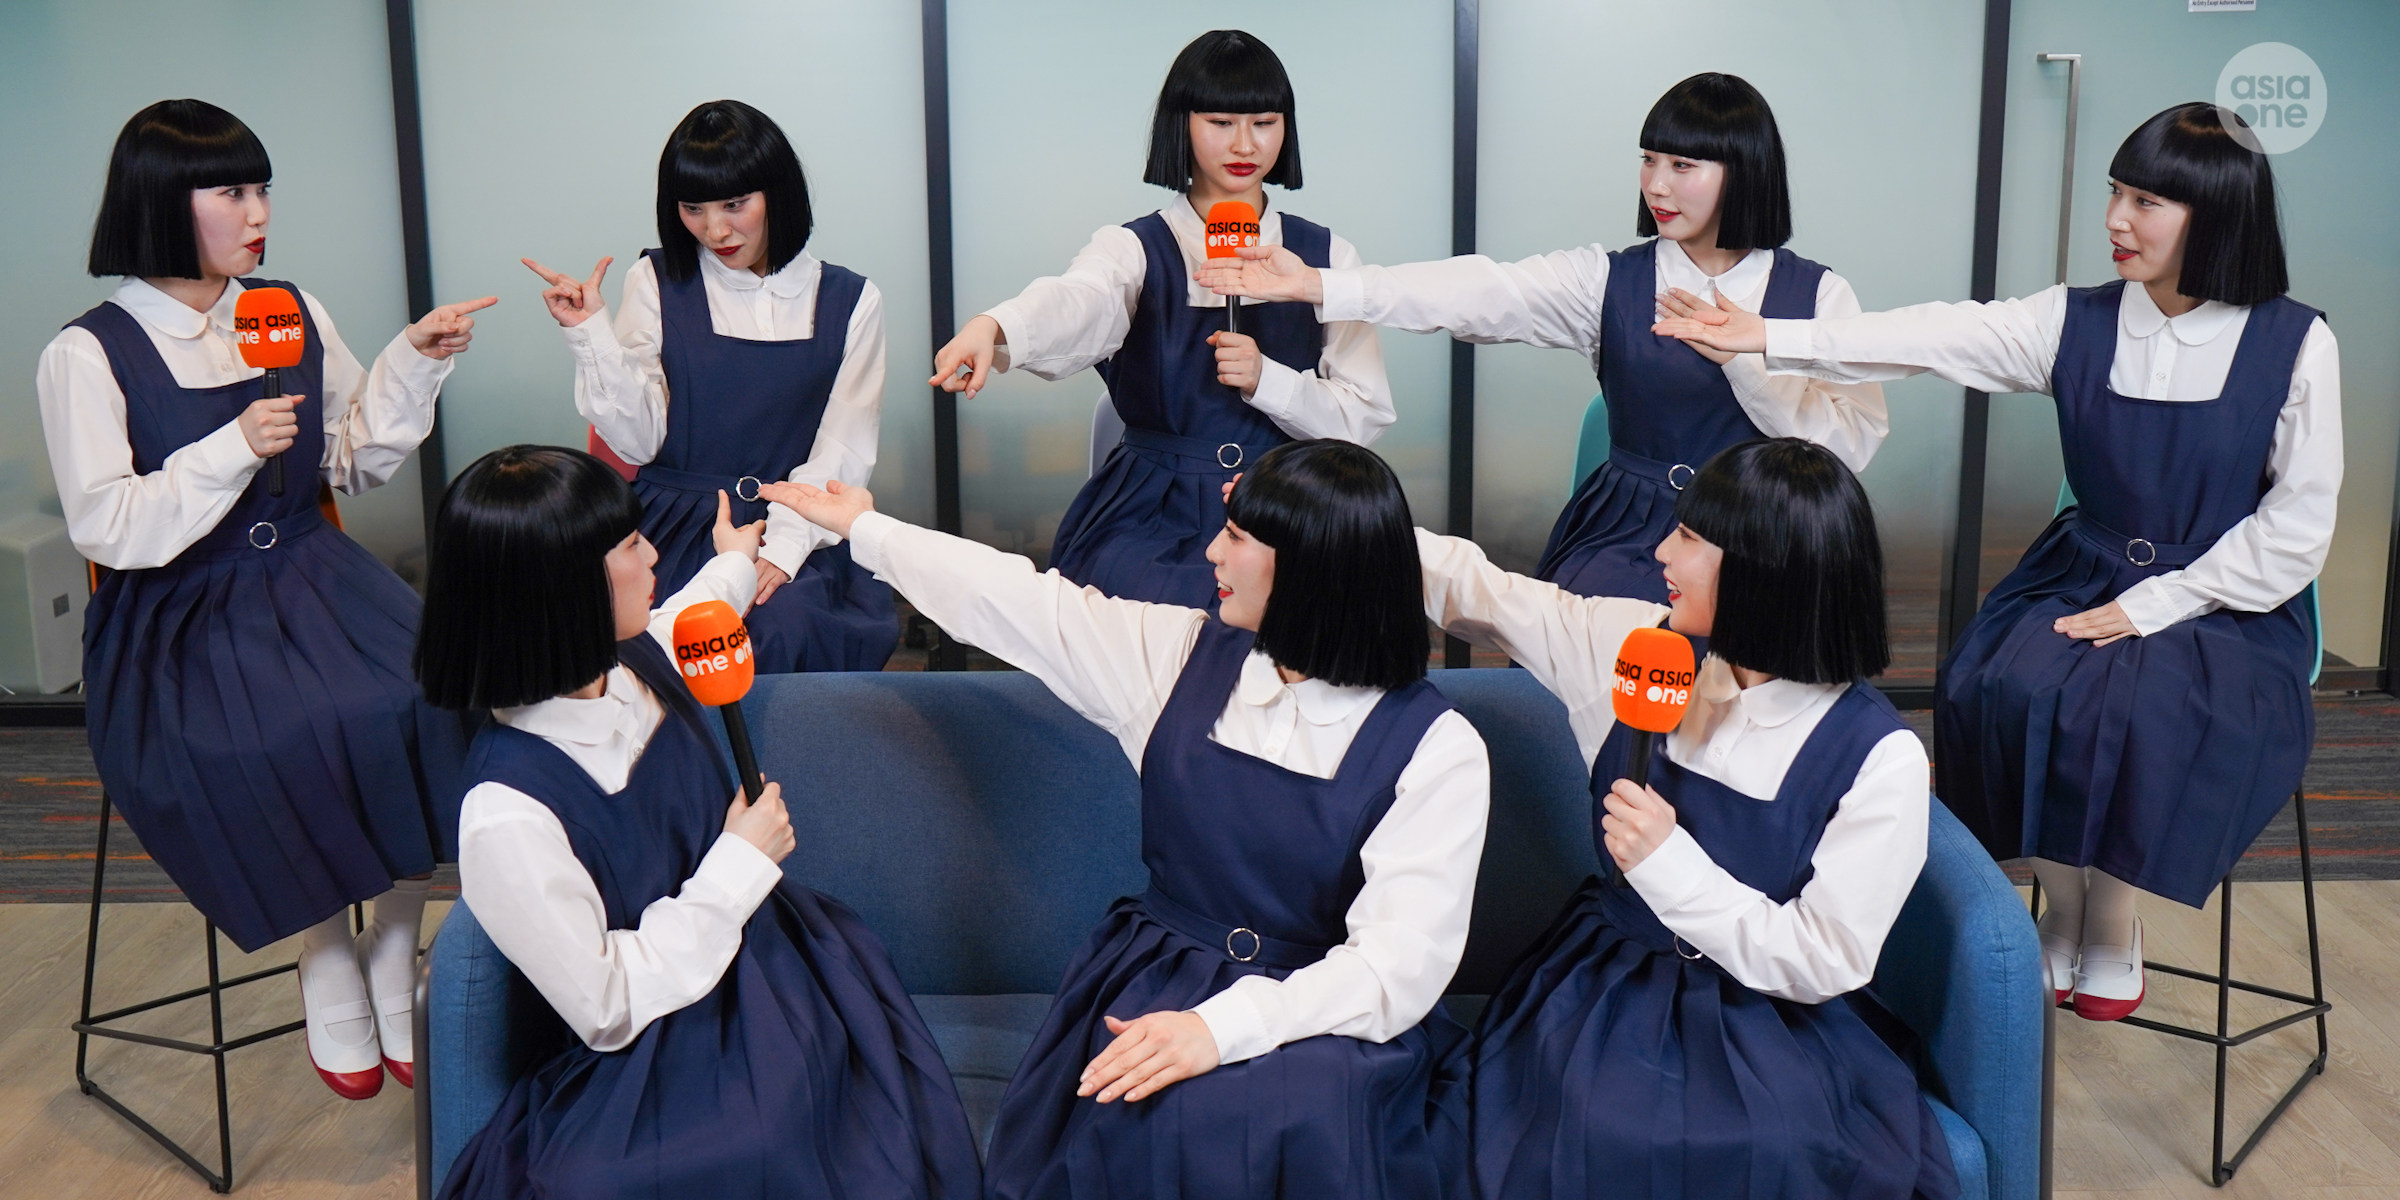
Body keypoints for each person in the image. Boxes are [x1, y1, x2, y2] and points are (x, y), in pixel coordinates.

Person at [1654, 102, 2340, 1020]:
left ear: (2215, 214)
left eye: (2145, 202)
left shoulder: (2297, 342)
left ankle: (2113, 923)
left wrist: (2158, 605)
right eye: (2115, 193)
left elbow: (2297, 527)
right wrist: (1771, 336)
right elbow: (1933, 336)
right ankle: (2063, 906)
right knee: (2003, 684)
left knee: (2141, 705)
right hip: (2084, 566)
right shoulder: (2076, 320)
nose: (2115, 220)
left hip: (2222, 595)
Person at [762, 440, 1487, 1200]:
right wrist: (866, 528)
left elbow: (1397, 966)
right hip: (1158, 974)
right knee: (1153, 1119)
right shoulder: (1176, 655)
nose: (1210, 552)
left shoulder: (1439, 748)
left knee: (1291, 1125)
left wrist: (1220, 1027)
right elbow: (1021, 603)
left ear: (1311, 569)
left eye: (1237, 537)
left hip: (1326, 1004)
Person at [421, 447, 985, 1200]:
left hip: (780, 970)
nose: (655, 554)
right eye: (629, 545)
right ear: (561, 588)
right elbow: (604, 1006)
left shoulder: (640, 656)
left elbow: (703, 599)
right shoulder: (505, 813)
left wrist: (737, 558)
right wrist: (740, 862)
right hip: (655, 1045)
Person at [37, 99, 495, 1098]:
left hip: (311, 569)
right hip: (177, 611)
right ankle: (324, 949)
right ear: (163, 203)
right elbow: (106, 526)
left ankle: (394, 938)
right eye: (233, 193)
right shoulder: (88, 353)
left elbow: (350, 459)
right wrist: (230, 449)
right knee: (283, 734)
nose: (260, 214)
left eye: (262, 190)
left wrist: (415, 361)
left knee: (446, 693)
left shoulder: (289, 308)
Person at [1418, 437, 1955, 1200]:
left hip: (1770, 1017)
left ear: (1766, 569)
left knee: (1760, 1152)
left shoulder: (1879, 756)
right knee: (1570, 1128)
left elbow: (1829, 957)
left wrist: (1668, 863)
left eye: (1692, 538)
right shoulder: (1639, 647)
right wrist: (1327, 518)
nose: (1660, 552)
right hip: (1600, 986)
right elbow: (1485, 592)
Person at [1199, 72, 1883, 608]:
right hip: (1630, 533)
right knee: (1588, 651)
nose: (1655, 185)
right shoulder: (1607, 280)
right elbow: (1478, 290)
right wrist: (1318, 284)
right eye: (1649, 160)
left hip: (1769, 538)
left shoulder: (1820, 296)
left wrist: (1747, 365)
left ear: (1744, 171)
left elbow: (1851, 447)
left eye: (1683, 166)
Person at [927, 30, 1395, 608]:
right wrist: (996, 326)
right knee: (1147, 612)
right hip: (1154, 509)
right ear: (1181, 124)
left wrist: (1268, 381)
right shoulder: (1133, 248)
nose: (1245, 143)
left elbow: (1363, 415)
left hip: (1289, 508)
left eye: (1264, 122)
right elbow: (1080, 300)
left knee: (1320, 610)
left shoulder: (1328, 258)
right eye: (1220, 122)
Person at [524, 99, 896, 673]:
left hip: (793, 522)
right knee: (647, 644)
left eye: (734, 204)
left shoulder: (852, 300)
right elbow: (639, 442)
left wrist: (784, 549)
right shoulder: (656, 279)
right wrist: (591, 336)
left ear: (778, 193)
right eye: (693, 208)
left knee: (781, 631)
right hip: (667, 524)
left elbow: (842, 449)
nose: (715, 230)